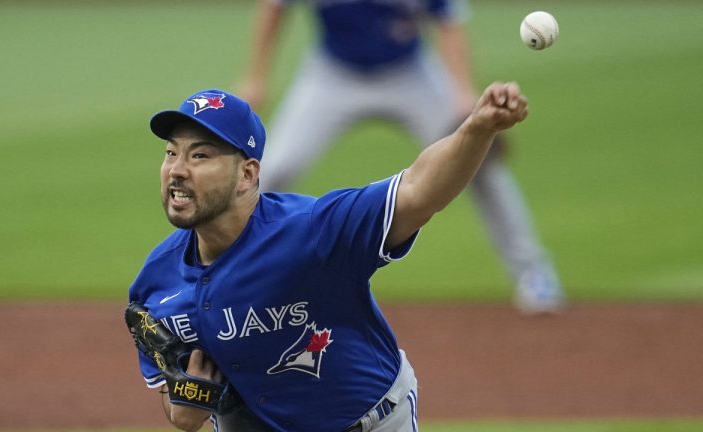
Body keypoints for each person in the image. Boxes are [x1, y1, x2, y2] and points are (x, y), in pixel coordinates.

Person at [128, 81, 529, 431]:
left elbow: (418, 191)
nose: (177, 170)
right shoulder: (157, 284)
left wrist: (478, 128)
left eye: (199, 156)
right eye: (170, 153)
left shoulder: (313, 231)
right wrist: (182, 405)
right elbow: (179, 408)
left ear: (247, 175)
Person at [237, 0, 563, 313]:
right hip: (332, 76)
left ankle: (533, 273)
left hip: (410, 75)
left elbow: (449, 23)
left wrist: (462, 92)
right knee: (272, 170)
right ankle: (224, 276)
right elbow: (275, 7)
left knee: (478, 162)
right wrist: (256, 75)